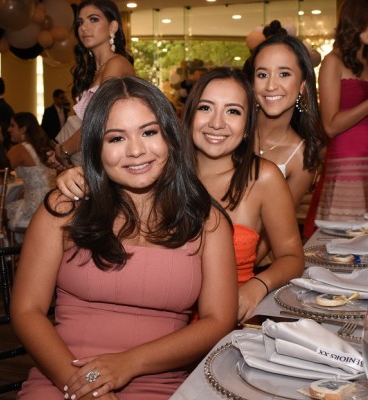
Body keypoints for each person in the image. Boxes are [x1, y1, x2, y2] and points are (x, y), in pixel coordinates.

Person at [10, 76, 238, 399]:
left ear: (170, 137)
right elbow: (26, 310)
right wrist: (86, 385)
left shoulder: (205, 220)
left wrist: (128, 364)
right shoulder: (65, 208)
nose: (135, 151)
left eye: (149, 132)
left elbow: (218, 320)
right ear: (95, 147)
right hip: (63, 374)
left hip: (160, 379)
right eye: (116, 138)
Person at [55, 68, 304, 323]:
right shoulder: (155, 170)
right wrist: (78, 177)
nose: (217, 123)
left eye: (233, 111)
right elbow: (113, 172)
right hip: (159, 322)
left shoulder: (263, 178)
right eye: (205, 108)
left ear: (248, 124)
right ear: (187, 115)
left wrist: (258, 286)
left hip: (230, 319)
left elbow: (293, 257)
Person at [244, 33, 325, 261]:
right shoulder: (228, 131)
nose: (271, 85)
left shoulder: (301, 158)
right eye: (262, 74)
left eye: (284, 74)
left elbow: (272, 233)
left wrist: (239, 275)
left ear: (302, 85)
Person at [313, 0, 368, 222]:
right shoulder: (333, 61)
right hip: (347, 164)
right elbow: (330, 126)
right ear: (354, 20)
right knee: (344, 243)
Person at [50, 0, 135, 169]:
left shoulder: (117, 63)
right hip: (87, 157)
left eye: (94, 19)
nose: (84, 27)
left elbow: (100, 119)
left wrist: (64, 150)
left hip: (105, 160)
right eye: (80, 22)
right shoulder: (94, 72)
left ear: (112, 27)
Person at [6, 112, 56, 232]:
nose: (8, 129)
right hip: (52, 202)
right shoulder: (44, 146)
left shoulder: (20, 149)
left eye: (12, 126)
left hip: (36, 206)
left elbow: (0, 172)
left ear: (23, 129)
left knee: (2, 214)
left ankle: (11, 249)